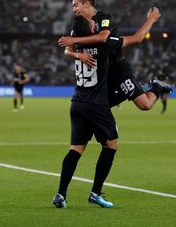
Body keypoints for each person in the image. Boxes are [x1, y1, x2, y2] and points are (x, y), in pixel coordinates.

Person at [52, 15, 123, 209]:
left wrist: (75, 47)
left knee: (76, 149)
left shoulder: (78, 49)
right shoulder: (102, 46)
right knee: (111, 145)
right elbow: (132, 40)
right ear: (90, 28)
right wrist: (149, 22)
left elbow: (70, 50)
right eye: (93, 23)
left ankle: (61, 194)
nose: (96, 23)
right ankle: (95, 192)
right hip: (96, 104)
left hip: (77, 103)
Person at [59, 0, 171, 110]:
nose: (74, 9)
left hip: (117, 67)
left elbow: (103, 38)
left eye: (76, 5)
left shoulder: (104, 19)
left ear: (86, 4)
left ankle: (157, 85)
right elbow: (68, 51)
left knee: (145, 105)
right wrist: (78, 55)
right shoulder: (79, 25)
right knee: (98, 106)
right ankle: (136, 88)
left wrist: (151, 19)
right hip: (101, 71)